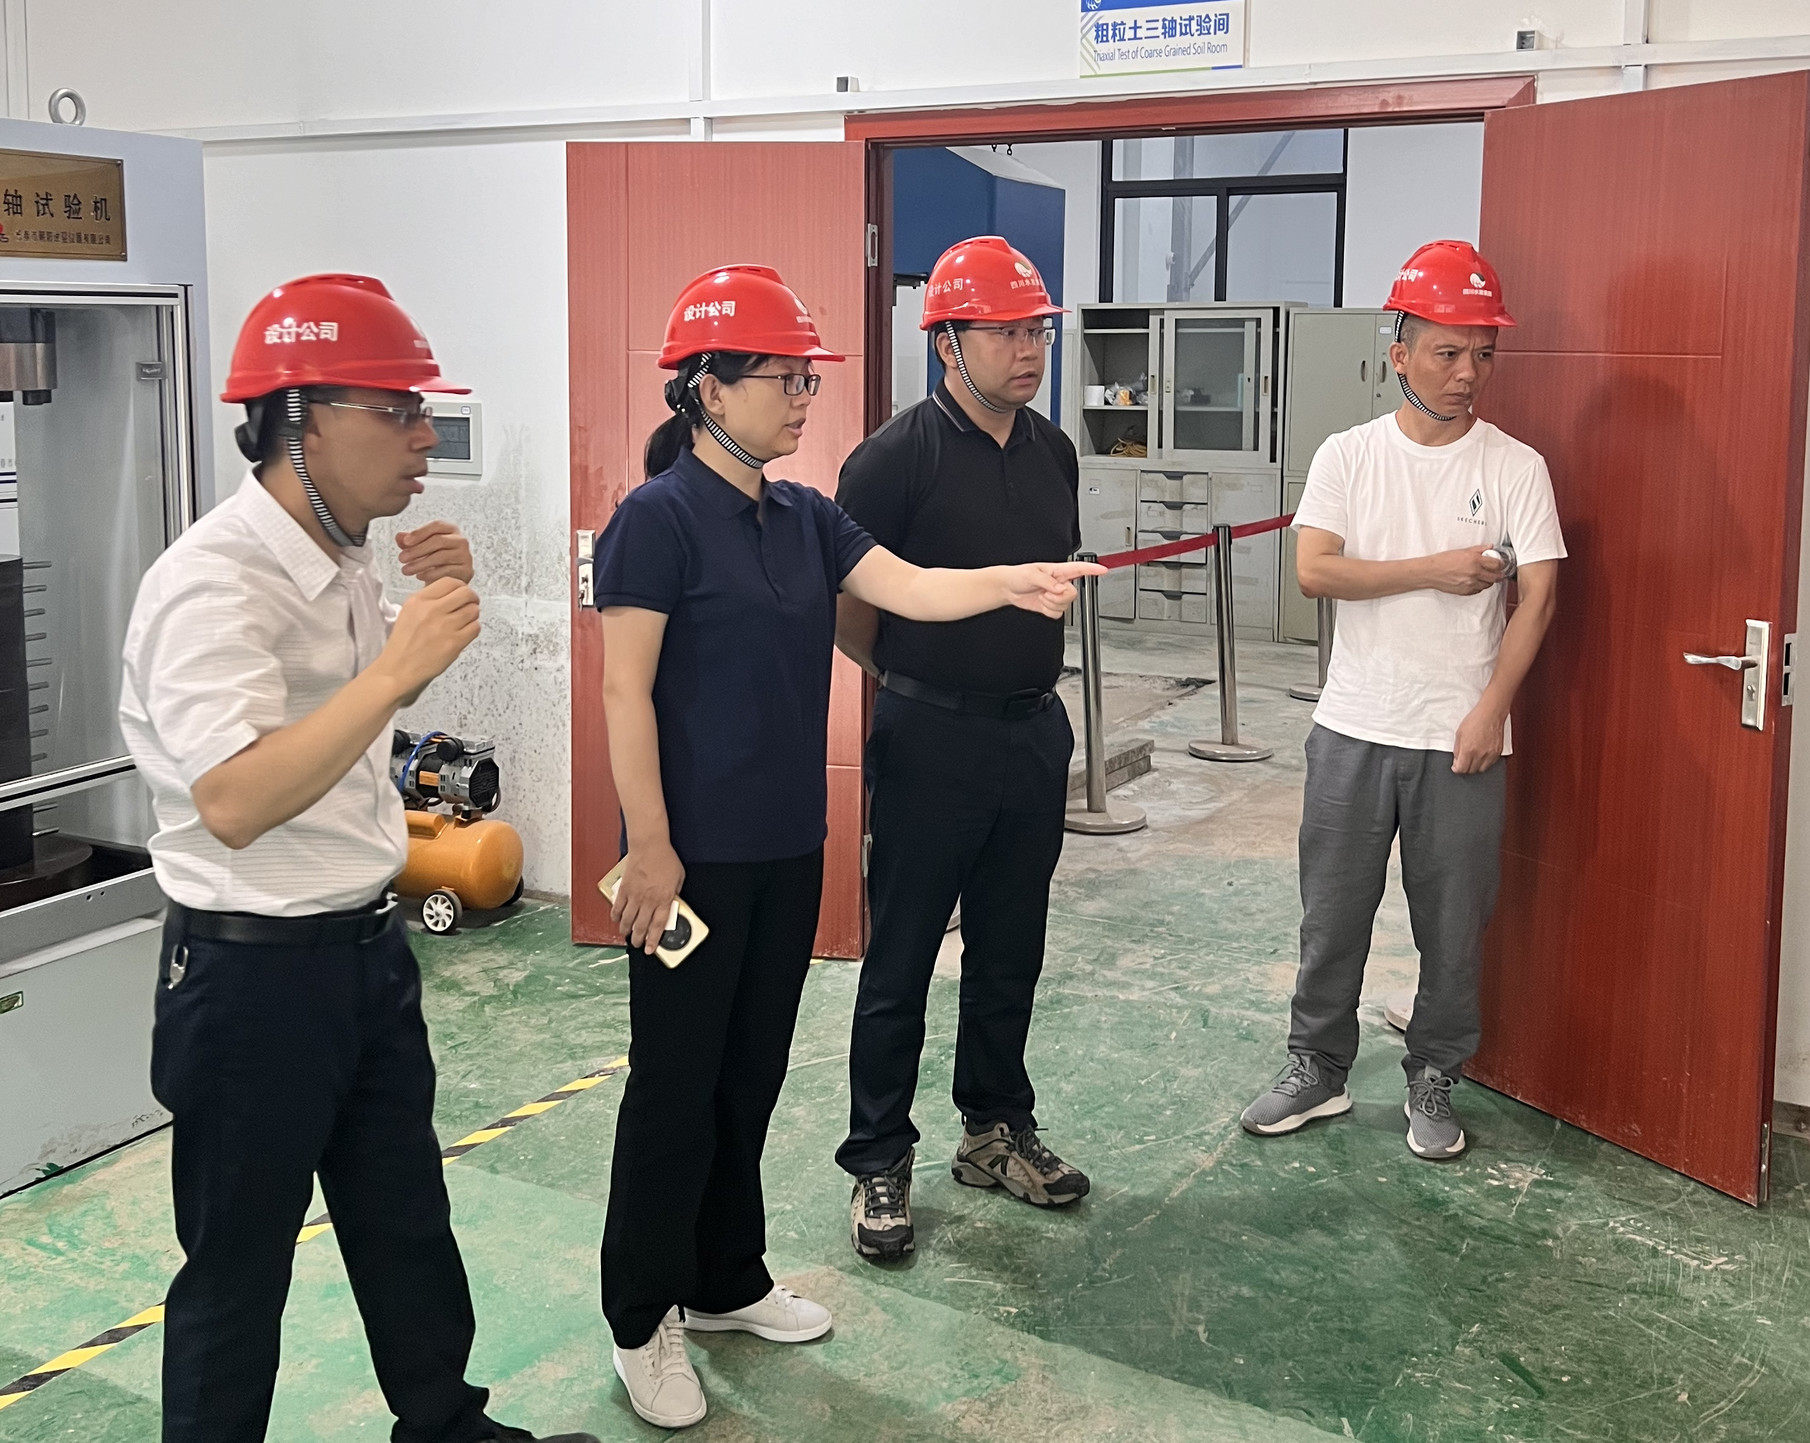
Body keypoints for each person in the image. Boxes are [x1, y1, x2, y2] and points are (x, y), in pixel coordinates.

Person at [593, 263, 1097, 1430]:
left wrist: (1014, 583)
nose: (803, 397)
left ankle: (725, 1279)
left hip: (783, 849)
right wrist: (650, 845)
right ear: (707, 387)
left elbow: (909, 590)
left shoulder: (805, 516)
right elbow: (624, 692)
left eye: (807, 378)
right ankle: (641, 1316)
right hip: (687, 865)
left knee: (752, 1075)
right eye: (782, 377)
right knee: (674, 1089)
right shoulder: (654, 521)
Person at [120, 274, 595, 1443]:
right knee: (238, 1269)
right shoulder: (211, 584)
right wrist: (396, 667)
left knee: (404, 1220)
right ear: (301, 422)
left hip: (364, 954)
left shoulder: (341, 557)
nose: (426, 437)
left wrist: (425, 611)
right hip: (249, 979)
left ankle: (446, 1426)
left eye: (423, 410)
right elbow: (235, 799)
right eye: (398, 411)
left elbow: (341, 725)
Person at [1238, 241, 1565, 1160]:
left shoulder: (1515, 467)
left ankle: (1435, 1074)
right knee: (1332, 913)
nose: (1468, 374)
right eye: (1447, 353)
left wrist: (1492, 708)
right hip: (1352, 725)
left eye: (1483, 354)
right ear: (1400, 353)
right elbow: (1315, 570)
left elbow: (1541, 594)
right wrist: (1437, 568)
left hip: (1459, 734)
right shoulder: (1349, 456)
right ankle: (1318, 1066)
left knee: (1453, 925)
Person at [831, 236, 1087, 1263]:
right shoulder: (893, 459)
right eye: (1007, 332)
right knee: (900, 957)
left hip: (1033, 731)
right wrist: (909, 681)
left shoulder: (1055, 451)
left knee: (1011, 948)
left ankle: (994, 1130)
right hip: (930, 734)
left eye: (1038, 332)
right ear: (946, 342)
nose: (1030, 351)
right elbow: (850, 607)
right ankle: (878, 1158)